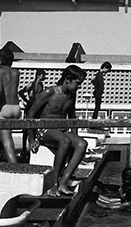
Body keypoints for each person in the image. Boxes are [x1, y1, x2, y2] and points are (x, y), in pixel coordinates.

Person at [27, 64, 88, 197]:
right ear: (67, 79)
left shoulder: (72, 96)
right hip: (44, 130)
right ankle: (54, 184)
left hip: (61, 130)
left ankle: (64, 181)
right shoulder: (49, 92)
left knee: (82, 144)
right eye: (77, 83)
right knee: (65, 141)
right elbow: (30, 114)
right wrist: (31, 139)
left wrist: (75, 139)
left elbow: (72, 118)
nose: (79, 87)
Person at [0, 48, 21, 163]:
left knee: (7, 143)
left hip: (4, 109)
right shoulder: (16, 72)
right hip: (16, 108)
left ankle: (16, 171)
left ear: (0, 61)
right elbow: (8, 78)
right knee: (1, 141)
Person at [19, 69, 47, 158]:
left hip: (37, 106)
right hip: (31, 105)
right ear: (39, 75)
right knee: (27, 127)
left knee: (35, 127)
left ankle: (33, 144)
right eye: (43, 75)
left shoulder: (41, 85)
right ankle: (24, 148)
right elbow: (21, 92)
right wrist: (27, 101)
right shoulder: (32, 84)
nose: (45, 77)